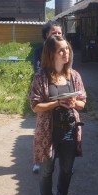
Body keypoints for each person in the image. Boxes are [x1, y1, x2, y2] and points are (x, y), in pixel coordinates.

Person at [29, 35, 87, 195]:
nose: (66, 53)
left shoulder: (74, 75)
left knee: (67, 169)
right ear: (51, 53)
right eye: (61, 50)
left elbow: (82, 103)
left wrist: (73, 103)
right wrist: (57, 103)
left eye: (67, 49)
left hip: (69, 129)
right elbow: (35, 106)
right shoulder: (41, 77)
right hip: (48, 132)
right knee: (47, 170)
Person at [31, 20, 63, 174]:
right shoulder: (39, 51)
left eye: (59, 33)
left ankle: (62, 163)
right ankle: (38, 161)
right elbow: (38, 69)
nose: (57, 35)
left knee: (61, 129)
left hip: (61, 89)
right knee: (42, 129)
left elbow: (68, 70)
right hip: (43, 90)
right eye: (53, 33)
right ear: (46, 35)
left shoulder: (65, 50)